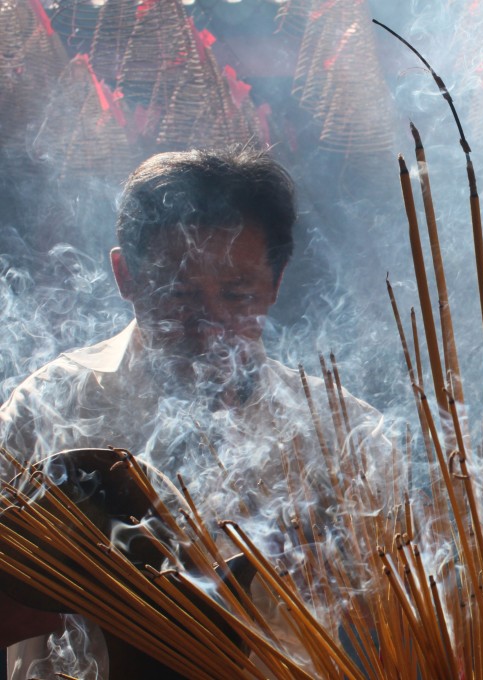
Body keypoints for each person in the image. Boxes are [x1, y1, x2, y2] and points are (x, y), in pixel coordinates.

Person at [0, 147, 392, 679]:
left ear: (275, 285)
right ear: (125, 276)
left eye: (236, 295)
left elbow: (410, 619)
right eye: (177, 294)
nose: (207, 328)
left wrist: (332, 574)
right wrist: (69, 581)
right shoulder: (49, 408)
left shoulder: (338, 433)